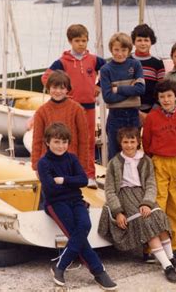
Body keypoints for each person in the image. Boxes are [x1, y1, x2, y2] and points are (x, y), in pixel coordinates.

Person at [98, 127, 176, 283]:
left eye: (132, 141)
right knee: (146, 223)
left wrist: (147, 202)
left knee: (159, 218)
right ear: (120, 143)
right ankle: (167, 266)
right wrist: (118, 211)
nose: (129, 145)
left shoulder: (145, 160)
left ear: (138, 142)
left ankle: (171, 257)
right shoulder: (114, 163)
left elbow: (151, 184)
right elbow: (110, 190)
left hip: (143, 195)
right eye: (126, 142)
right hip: (125, 196)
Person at [37, 123, 117, 290]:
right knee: (76, 233)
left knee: (84, 225)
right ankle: (99, 271)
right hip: (56, 203)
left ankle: (60, 265)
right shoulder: (43, 163)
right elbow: (50, 188)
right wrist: (71, 182)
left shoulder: (71, 158)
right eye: (57, 142)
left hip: (76, 200)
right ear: (47, 142)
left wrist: (64, 180)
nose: (61, 146)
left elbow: (83, 180)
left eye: (64, 142)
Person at [41, 24, 106, 188]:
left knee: (88, 140)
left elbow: (110, 70)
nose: (81, 44)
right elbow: (46, 77)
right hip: (70, 107)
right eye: (77, 41)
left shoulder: (93, 59)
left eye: (84, 41)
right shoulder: (62, 62)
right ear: (70, 41)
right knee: (70, 140)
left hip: (89, 107)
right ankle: (69, 174)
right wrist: (61, 93)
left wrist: (99, 85)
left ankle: (89, 174)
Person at [142, 79, 176, 262]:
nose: (166, 100)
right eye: (162, 96)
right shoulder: (152, 117)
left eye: (169, 96)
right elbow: (146, 144)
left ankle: (174, 246)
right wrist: (153, 163)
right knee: (158, 205)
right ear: (158, 98)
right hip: (159, 164)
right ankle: (152, 247)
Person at [32, 71, 89, 183]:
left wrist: (82, 165)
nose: (58, 91)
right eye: (54, 87)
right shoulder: (41, 112)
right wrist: (36, 165)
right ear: (48, 88)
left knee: (70, 195)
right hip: (48, 164)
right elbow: (37, 140)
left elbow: (84, 140)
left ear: (68, 89)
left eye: (62, 88)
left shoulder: (78, 110)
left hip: (71, 164)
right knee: (50, 195)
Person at [100, 32, 145, 160]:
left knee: (133, 153)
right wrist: (131, 90)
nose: (120, 53)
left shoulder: (135, 65)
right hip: (115, 117)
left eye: (124, 50)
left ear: (129, 50)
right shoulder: (105, 70)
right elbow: (108, 97)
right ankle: (115, 179)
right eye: (116, 50)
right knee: (115, 155)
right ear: (111, 50)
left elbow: (141, 89)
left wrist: (118, 89)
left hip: (133, 116)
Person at [130, 24, 165, 117]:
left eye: (146, 40)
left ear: (151, 42)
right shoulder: (127, 60)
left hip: (152, 109)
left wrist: (154, 109)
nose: (143, 43)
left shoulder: (157, 63)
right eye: (139, 40)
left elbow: (161, 88)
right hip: (131, 108)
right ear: (133, 42)